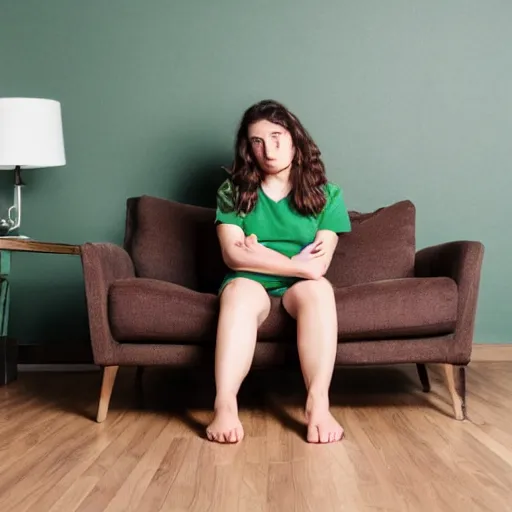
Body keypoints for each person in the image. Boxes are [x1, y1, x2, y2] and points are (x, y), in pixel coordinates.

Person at [206, 99, 351, 444]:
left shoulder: (328, 194)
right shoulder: (232, 191)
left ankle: (318, 404)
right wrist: (291, 263)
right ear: (248, 148)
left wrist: (260, 253)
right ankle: (224, 405)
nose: (268, 150)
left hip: (302, 285)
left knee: (320, 290)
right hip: (249, 282)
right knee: (240, 293)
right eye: (257, 141)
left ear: (294, 139)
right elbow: (233, 256)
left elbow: (318, 267)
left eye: (276, 137)